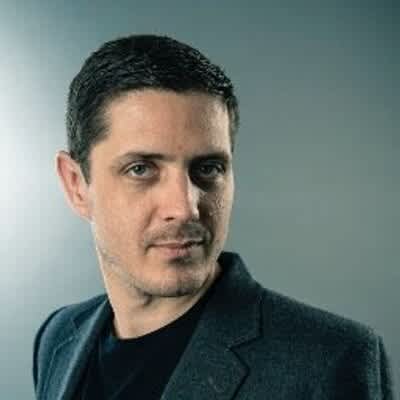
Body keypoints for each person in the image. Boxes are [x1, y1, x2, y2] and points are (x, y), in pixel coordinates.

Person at [32, 34, 396, 400]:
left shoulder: (330, 362)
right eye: (141, 169)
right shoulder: (58, 337)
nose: (185, 208)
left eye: (208, 168)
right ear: (76, 185)